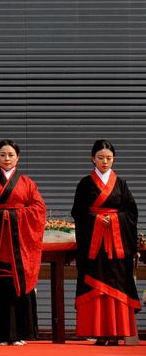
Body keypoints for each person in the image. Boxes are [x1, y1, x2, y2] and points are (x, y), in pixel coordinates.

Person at [0, 140, 46, 345]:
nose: (7, 158)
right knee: (0, 288)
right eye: (3, 154)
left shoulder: (27, 183)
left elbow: (39, 208)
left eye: (11, 154)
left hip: (19, 243)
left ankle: (19, 334)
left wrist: (13, 217)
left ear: (17, 157)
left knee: (17, 285)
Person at [71, 140, 141, 346]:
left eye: (108, 158)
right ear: (93, 158)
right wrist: (95, 219)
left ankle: (117, 332)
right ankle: (98, 332)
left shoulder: (121, 184)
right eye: (100, 158)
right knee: (94, 282)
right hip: (93, 244)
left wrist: (114, 220)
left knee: (118, 282)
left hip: (117, 244)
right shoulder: (85, 183)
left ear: (114, 159)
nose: (104, 162)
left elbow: (131, 212)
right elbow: (78, 211)